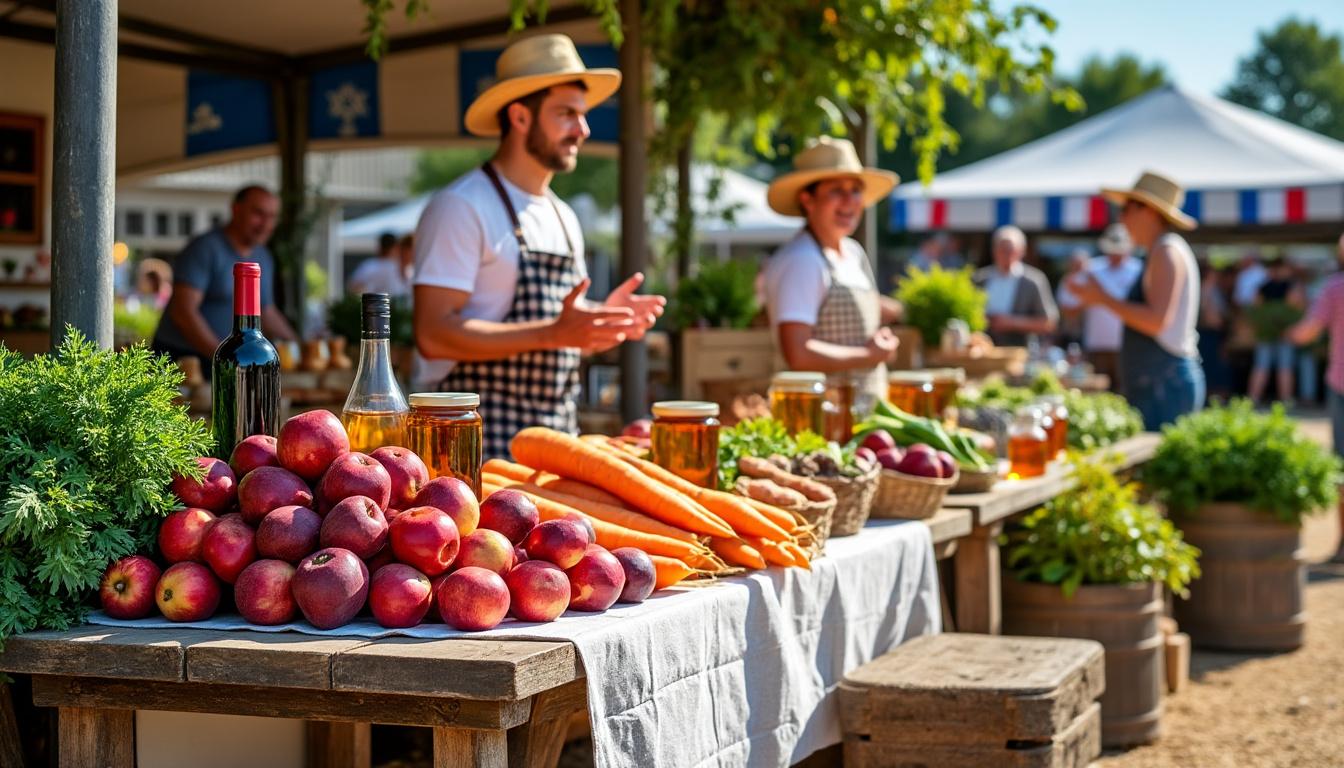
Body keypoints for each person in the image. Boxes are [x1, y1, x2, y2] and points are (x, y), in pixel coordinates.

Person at [412, 34, 664, 459]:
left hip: (556, 440)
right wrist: (555, 332)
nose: (582, 130)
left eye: (582, 115)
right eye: (566, 114)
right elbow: (433, 335)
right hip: (472, 445)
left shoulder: (563, 216)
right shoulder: (461, 206)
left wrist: (600, 325)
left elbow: (558, 338)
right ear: (520, 116)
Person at [761, 136, 901, 408]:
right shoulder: (802, 260)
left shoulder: (853, 252)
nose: (850, 201)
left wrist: (880, 340)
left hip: (860, 412)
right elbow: (798, 354)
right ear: (807, 199)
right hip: (821, 416)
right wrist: (869, 354)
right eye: (836, 191)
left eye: (855, 190)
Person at [1070, 171, 1203, 430]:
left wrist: (1101, 298)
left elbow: (1156, 321)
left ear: (1149, 211)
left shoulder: (1166, 251)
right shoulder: (1161, 249)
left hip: (1164, 384)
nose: (1121, 218)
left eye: (1127, 208)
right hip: (1161, 381)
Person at [151, 185, 298, 372]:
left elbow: (266, 311)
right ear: (236, 209)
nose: (265, 224)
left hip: (226, 363)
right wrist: (225, 359)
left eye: (272, 216)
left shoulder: (263, 256)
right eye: (258, 214)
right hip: (181, 359)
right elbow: (183, 312)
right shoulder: (205, 248)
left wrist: (299, 345)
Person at [1287, 233, 1344, 562]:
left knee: (1342, 467)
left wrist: (1288, 332)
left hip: (1341, 382)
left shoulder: (1335, 287)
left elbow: (1308, 330)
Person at [1057, 224, 1143, 387]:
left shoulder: (1138, 269)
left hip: (1127, 345)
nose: (1115, 254)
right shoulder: (1092, 268)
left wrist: (1098, 294)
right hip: (1096, 345)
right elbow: (1069, 305)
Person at [973, 225, 1058, 347]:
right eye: (1002, 250)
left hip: (1020, 349)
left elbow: (1049, 322)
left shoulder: (1033, 281)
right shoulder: (980, 279)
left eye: (1010, 250)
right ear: (994, 250)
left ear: (1022, 251)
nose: (1006, 255)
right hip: (983, 349)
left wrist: (1012, 323)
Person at [1247, 255, 1304, 406]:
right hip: (1281, 333)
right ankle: (1286, 400)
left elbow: (1255, 309)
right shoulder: (1291, 286)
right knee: (1283, 367)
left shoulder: (1263, 287)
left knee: (1263, 366)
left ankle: (1253, 399)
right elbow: (1298, 307)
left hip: (1271, 334)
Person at [347, 231, 409, 298]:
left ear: (380, 247)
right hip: (389, 302)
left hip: (374, 302)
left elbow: (353, 288)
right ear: (396, 247)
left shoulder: (368, 265)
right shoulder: (398, 266)